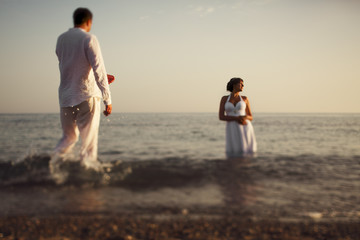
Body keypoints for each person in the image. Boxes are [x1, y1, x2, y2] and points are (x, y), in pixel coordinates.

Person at [52, 8, 112, 171]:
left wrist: (102, 77)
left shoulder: (61, 40)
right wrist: (108, 99)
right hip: (87, 97)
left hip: (65, 98)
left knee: (69, 138)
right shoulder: (89, 39)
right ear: (88, 22)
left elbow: (71, 66)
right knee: (89, 145)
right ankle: (87, 184)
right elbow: (98, 68)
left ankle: (52, 166)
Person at [219, 77, 257, 158]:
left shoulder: (245, 98)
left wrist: (244, 117)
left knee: (246, 150)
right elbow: (221, 116)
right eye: (240, 84)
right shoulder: (224, 99)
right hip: (232, 126)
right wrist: (236, 118)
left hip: (245, 126)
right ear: (234, 85)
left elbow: (251, 117)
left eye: (243, 84)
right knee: (234, 150)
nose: (243, 86)